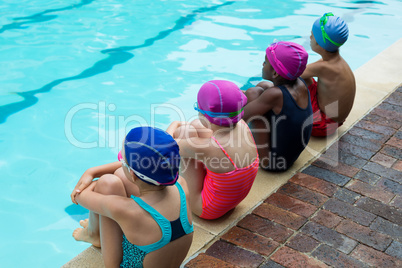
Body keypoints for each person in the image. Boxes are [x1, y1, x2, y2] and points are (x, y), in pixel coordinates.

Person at [71, 126, 194, 268]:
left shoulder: (128, 211)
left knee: (107, 183)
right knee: (118, 176)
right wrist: (93, 171)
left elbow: (80, 196)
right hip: (160, 246)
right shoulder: (181, 185)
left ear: (134, 174)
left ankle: (93, 234)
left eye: (123, 160)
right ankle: (95, 234)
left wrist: (95, 177)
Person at [166, 80, 259, 220]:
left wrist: (174, 124)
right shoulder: (242, 124)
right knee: (194, 126)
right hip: (232, 201)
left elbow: (166, 145)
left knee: (184, 131)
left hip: (208, 209)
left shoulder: (210, 148)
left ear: (205, 114)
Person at [243, 41, 312, 171]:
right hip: (291, 156)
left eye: (265, 62)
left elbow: (242, 116)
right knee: (263, 86)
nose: (262, 65)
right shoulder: (300, 82)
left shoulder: (275, 95)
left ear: (275, 73)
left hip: (273, 163)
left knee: (252, 93)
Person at [301, 12, 356, 137]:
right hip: (335, 121)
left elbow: (292, 73)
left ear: (321, 43)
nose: (309, 38)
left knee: (294, 83)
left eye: (312, 36)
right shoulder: (337, 62)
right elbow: (305, 72)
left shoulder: (324, 67)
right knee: (305, 78)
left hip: (322, 125)